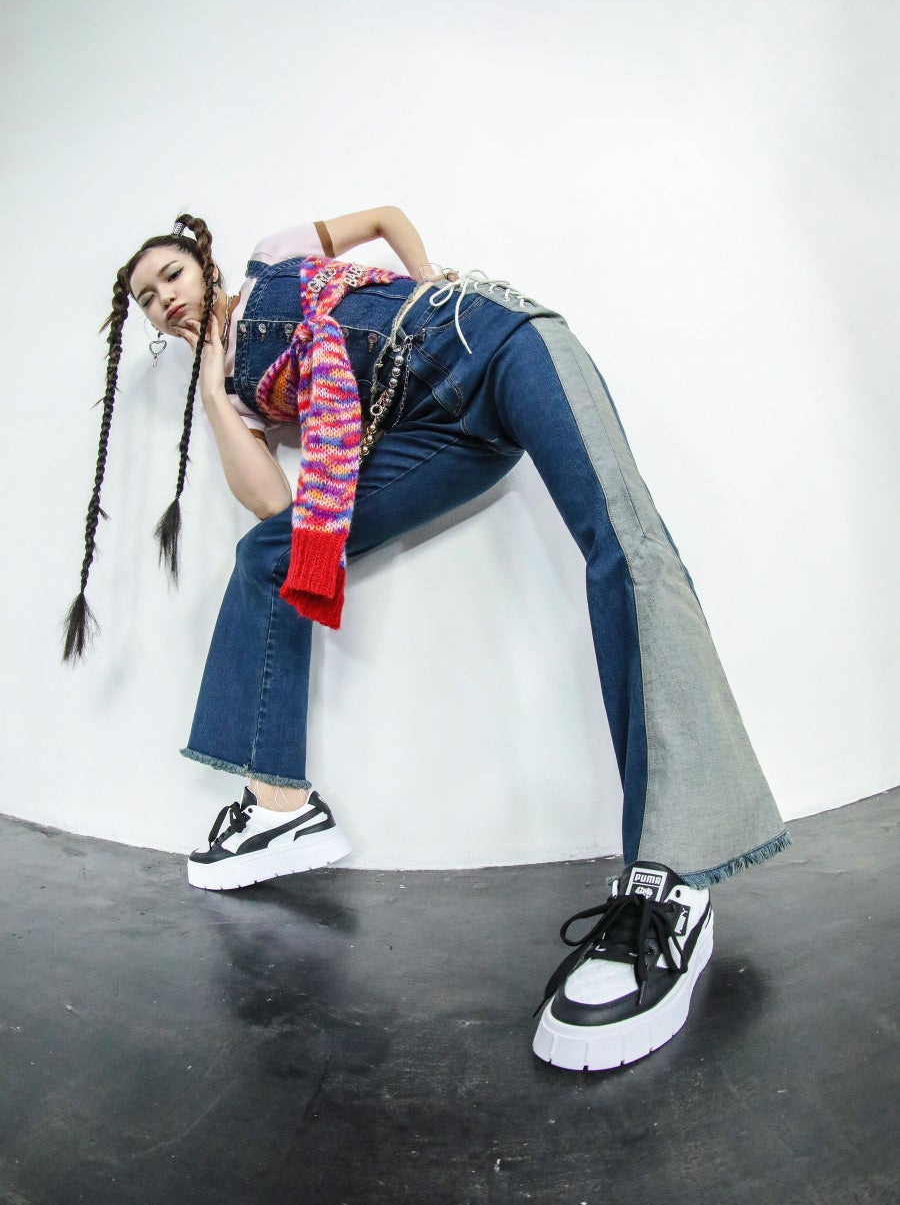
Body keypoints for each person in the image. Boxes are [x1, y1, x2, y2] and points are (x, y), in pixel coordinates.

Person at [63, 207, 791, 1073]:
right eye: (148, 301)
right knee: (271, 555)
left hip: (492, 342)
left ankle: (676, 875)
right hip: (442, 434)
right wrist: (216, 388)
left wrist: (428, 272)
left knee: (623, 545)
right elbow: (273, 506)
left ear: (204, 264)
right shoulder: (233, 385)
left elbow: (381, 216)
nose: (164, 301)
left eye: (171, 277)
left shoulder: (270, 259)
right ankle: (281, 807)